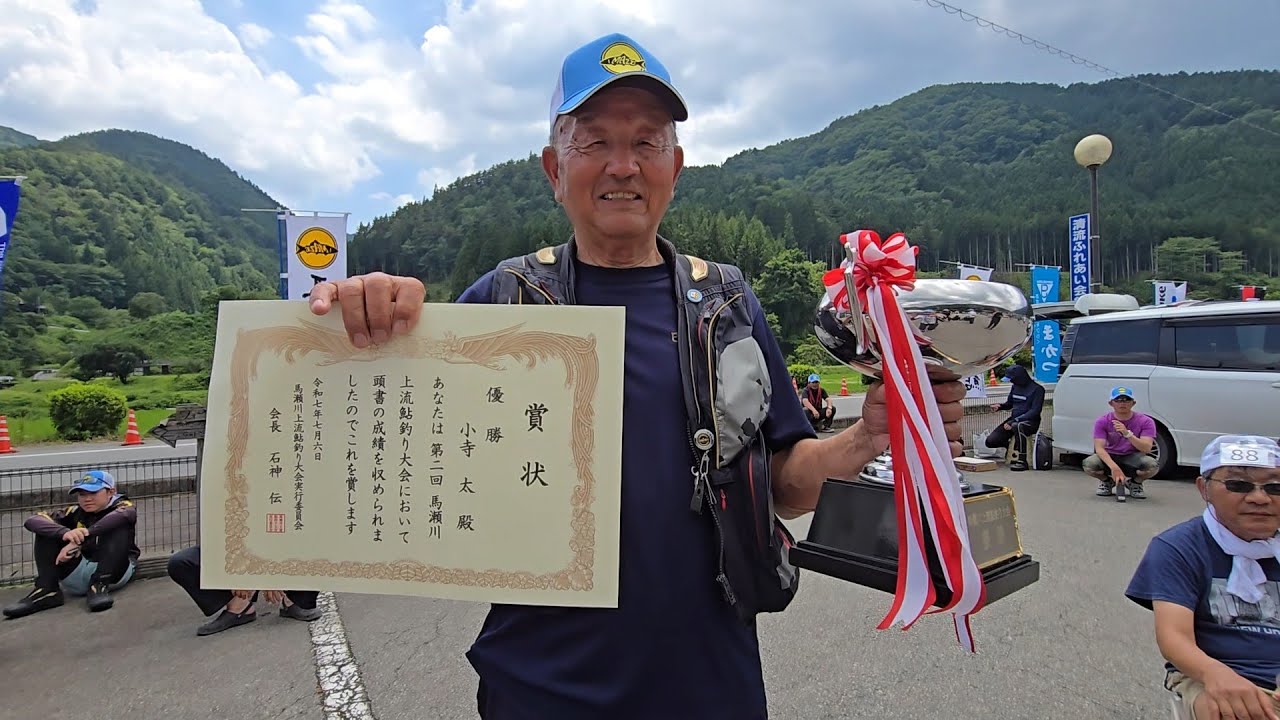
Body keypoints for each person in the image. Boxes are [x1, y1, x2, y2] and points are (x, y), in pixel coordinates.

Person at [306, 31, 967, 720]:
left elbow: (785, 483)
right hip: (540, 687)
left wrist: (868, 436)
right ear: (552, 169)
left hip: (710, 683)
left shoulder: (728, 304)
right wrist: (367, 326)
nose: (623, 165)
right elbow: (399, 442)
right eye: (593, 142)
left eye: (646, 143)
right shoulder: (505, 299)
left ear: (675, 167)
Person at [1125, 435, 1280, 720]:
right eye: (1238, 485)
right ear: (1204, 489)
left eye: (1275, 486)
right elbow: (1174, 637)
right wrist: (1216, 674)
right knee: (1227, 711)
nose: (1260, 497)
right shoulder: (1179, 547)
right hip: (1212, 672)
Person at [2, 470, 138, 618]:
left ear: (111, 492)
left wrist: (82, 538)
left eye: (93, 493)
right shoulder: (74, 511)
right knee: (47, 530)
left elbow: (125, 515)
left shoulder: (124, 506)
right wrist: (65, 533)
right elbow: (33, 520)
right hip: (79, 570)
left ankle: (99, 586)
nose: (87, 499)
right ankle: (47, 591)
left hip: (114, 573)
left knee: (117, 526)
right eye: (82, 495)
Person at [166, 545, 321, 636]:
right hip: (236, 547)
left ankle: (295, 598)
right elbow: (216, 531)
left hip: (283, 542)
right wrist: (239, 573)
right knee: (180, 563)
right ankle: (239, 605)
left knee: (314, 531)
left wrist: (273, 574)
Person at [1085, 385, 1159, 500]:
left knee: (1152, 465)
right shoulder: (1102, 421)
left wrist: (1128, 434)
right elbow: (1099, 448)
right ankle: (1107, 482)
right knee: (1089, 464)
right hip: (1110, 455)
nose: (1122, 403)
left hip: (1132, 457)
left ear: (1133, 403)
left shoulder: (1146, 421)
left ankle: (1135, 483)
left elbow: (1147, 448)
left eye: (1126, 400)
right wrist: (1114, 468)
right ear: (1111, 403)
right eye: (1118, 400)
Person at [983, 364, 1045, 471]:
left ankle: (1022, 460)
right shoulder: (1015, 387)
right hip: (1013, 420)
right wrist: (1000, 406)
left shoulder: (1037, 390)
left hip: (1029, 422)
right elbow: (1010, 404)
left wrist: (1015, 421)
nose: (1011, 382)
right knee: (991, 441)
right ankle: (1011, 447)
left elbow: (1035, 411)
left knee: (1018, 426)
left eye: (1012, 379)